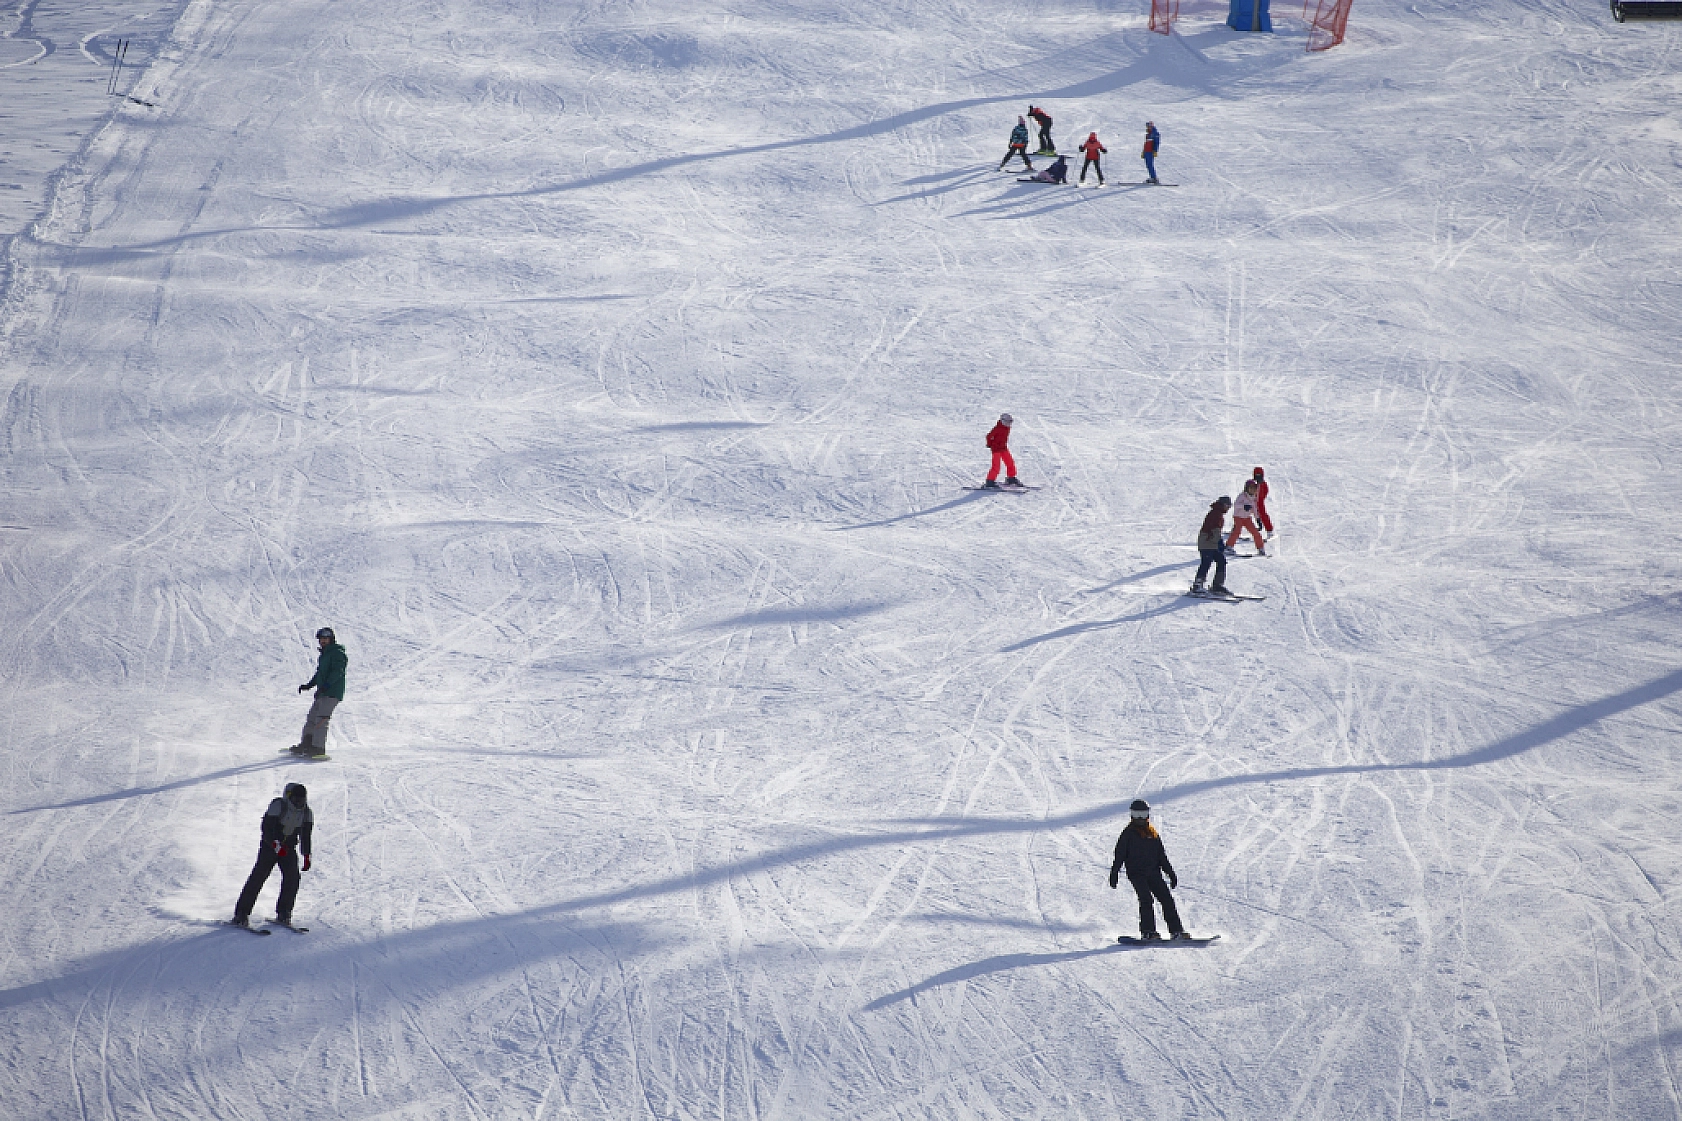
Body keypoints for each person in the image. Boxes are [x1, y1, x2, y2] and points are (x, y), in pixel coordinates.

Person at [232, 783, 314, 928]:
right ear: (289, 797)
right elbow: (267, 828)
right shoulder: (278, 806)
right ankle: (241, 914)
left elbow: (306, 835)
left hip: (288, 848)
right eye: (296, 800)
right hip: (270, 847)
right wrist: (275, 845)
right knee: (259, 876)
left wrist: (306, 855)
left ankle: (284, 913)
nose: (299, 803)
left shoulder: (307, 813)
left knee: (292, 878)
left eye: (301, 800)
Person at [1109, 799, 1187, 941]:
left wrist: (1170, 873)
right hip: (1137, 874)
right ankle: (1148, 931)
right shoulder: (1128, 834)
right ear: (1131, 815)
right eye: (1136, 814)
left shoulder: (1153, 834)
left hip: (1153, 873)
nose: (1140, 818)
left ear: (1148, 815)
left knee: (1167, 899)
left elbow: (1161, 856)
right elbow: (1119, 854)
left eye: (1142, 814)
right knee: (1146, 899)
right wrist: (1114, 872)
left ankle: (1176, 931)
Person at [294, 626, 347, 758]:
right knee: (311, 718)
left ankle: (318, 748)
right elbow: (319, 674)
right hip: (323, 692)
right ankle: (307, 744)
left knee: (321, 719)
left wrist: (327, 685)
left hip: (332, 692)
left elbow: (338, 672)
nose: (322, 641)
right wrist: (309, 685)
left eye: (325, 639)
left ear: (331, 639)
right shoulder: (324, 655)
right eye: (321, 639)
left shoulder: (338, 653)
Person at [1191, 496, 1231, 595]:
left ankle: (1217, 585)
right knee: (1206, 562)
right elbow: (1215, 530)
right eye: (1227, 505)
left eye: (1229, 506)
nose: (1228, 508)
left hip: (1211, 542)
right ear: (1222, 504)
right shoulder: (1215, 514)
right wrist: (1219, 542)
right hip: (1206, 541)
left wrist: (1218, 542)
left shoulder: (1218, 513)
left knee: (1221, 561)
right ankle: (1197, 585)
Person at [1226, 478, 1266, 556]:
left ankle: (1260, 548)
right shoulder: (1242, 496)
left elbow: (1254, 509)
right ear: (1246, 488)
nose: (1252, 490)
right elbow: (1235, 505)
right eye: (1250, 488)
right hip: (1238, 517)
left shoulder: (1254, 498)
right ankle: (1229, 546)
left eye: (1254, 488)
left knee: (1255, 532)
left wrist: (1258, 519)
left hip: (1247, 518)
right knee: (1237, 531)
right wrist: (1243, 506)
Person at [982, 413, 1022, 489]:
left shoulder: (1007, 428)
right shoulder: (997, 428)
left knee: (1010, 463)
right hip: (996, 449)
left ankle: (1011, 478)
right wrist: (989, 444)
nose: (1009, 424)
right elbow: (989, 436)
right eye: (1007, 422)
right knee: (996, 466)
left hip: (1003, 448)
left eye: (1010, 422)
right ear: (1003, 421)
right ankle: (989, 482)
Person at [1251, 466, 1273, 536]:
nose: (1258, 478)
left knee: (1263, 515)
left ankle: (1269, 531)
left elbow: (1266, 491)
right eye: (1256, 476)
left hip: (1259, 503)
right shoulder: (1253, 483)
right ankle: (1236, 529)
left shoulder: (1263, 484)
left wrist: (1261, 498)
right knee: (1241, 513)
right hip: (1251, 501)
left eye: (1259, 476)